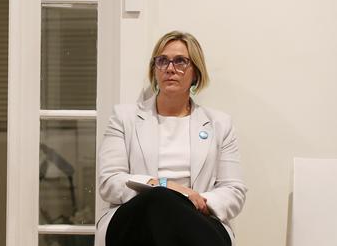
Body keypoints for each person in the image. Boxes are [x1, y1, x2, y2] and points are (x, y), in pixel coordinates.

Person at [96, 31, 247, 246]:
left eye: (180, 61)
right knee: (159, 199)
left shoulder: (220, 124)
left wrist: (193, 201)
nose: (170, 68)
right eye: (162, 61)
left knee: (172, 214)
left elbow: (234, 191)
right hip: (135, 219)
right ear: (154, 70)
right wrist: (168, 187)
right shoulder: (124, 118)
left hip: (198, 219)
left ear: (195, 72)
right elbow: (109, 181)